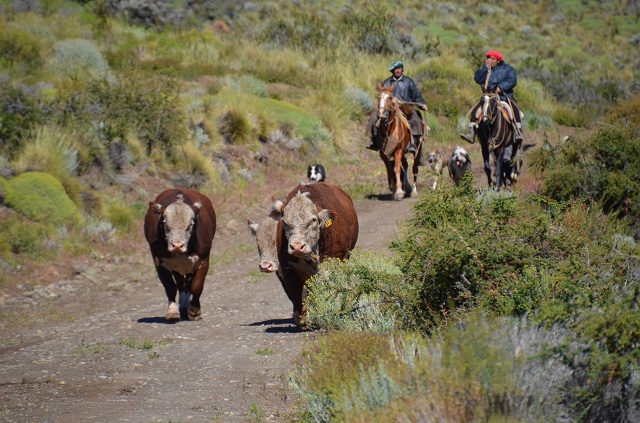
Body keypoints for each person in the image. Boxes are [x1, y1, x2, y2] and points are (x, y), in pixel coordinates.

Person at [366, 61, 428, 160]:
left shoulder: (409, 81)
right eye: (395, 69)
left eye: (399, 68)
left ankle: (414, 144)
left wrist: (422, 104)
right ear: (392, 71)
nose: (398, 70)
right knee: (374, 117)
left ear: (402, 69)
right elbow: (383, 95)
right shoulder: (387, 82)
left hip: (406, 107)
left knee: (415, 119)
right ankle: (373, 141)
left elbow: (416, 95)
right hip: (390, 108)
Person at [460, 50, 524, 144]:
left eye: (492, 58)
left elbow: (512, 80)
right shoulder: (485, 69)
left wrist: (500, 88)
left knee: (514, 110)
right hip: (488, 97)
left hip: (504, 97)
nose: (489, 60)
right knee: (476, 111)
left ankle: (517, 132)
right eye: (488, 58)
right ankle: (471, 133)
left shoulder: (508, 69)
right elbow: (477, 79)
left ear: (498, 60)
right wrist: (485, 69)